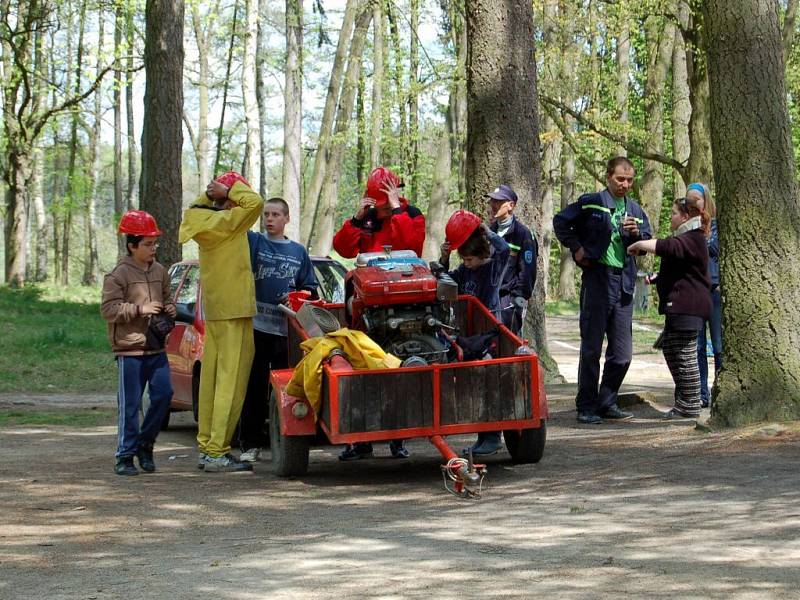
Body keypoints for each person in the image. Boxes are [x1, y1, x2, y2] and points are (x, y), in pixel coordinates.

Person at [553, 156, 652, 424]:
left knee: (622, 354)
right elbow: (560, 221)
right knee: (591, 348)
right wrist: (576, 248)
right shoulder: (592, 201)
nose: (625, 184)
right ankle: (586, 405)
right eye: (620, 179)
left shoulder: (635, 209)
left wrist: (637, 235)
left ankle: (607, 401)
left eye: (630, 180)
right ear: (608, 177)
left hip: (624, 283)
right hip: (597, 279)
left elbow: (647, 242)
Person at [337, 166, 425, 461]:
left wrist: (397, 211)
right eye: (379, 205)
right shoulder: (367, 219)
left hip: (401, 305)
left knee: (398, 369)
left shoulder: (412, 216)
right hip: (365, 308)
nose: (382, 210)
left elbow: (412, 246)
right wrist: (356, 220)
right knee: (361, 369)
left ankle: (398, 438)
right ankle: (360, 440)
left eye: (386, 204)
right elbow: (343, 249)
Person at [178, 172, 263, 472]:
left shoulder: (202, 220)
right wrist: (230, 190)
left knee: (213, 380)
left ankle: (207, 447)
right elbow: (255, 203)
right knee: (231, 381)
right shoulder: (227, 223)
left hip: (215, 311)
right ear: (229, 200)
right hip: (235, 310)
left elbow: (198, 208)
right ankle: (217, 451)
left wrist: (213, 195)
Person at [237, 197, 319, 462]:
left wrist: (296, 295)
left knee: (289, 387)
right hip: (257, 328)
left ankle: (288, 441)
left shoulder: (298, 251)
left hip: (287, 332)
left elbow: (312, 291)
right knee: (255, 386)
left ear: (286, 219)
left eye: (275, 215)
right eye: (266, 215)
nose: (269, 219)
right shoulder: (255, 242)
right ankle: (249, 444)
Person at [101, 210, 176, 476]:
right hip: (129, 349)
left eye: (155, 243)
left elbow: (168, 298)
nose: (153, 248)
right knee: (130, 404)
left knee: (164, 394)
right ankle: (125, 456)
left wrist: (169, 309)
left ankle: (146, 444)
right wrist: (139, 309)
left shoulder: (161, 272)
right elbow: (108, 309)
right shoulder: (117, 275)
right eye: (147, 244)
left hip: (156, 348)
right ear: (132, 245)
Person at [627, 196, 711, 418]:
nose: (671, 217)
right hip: (680, 307)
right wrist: (656, 278)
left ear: (685, 217)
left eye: (674, 213)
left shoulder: (693, 237)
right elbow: (680, 266)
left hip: (689, 307)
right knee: (673, 351)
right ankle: (685, 401)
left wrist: (638, 244)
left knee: (685, 355)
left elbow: (667, 247)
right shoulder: (687, 238)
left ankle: (690, 404)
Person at [441, 209, 510, 456]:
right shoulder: (464, 271)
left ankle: (492, 436)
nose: (467, 264)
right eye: (464, 260)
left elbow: (504, 251)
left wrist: (487, 231)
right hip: (469, 335)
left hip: (489, 333)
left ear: (481, 254)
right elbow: (444, 282)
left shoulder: (492, 269)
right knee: (475, 384)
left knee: (488, 381)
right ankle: (483, 435)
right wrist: (445, 256)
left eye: (470, 259)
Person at [332, 166, 425, 258]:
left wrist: (397, 211)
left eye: (388, 200)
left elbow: (413, 248)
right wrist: (356, 220)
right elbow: (345, 251)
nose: (385, 205)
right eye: (382, 203)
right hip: (370, 272)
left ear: (395, 193)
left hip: (402, 271)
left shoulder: (413, 214)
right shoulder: (368, 217)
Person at [686, 183, 721, 408]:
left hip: (714, 290)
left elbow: (715, 250)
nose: (692, 203)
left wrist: (704, 229)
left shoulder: (717, 225)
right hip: (695, 291)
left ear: (705, 200)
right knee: (697, 347)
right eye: (688, 200)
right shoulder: (687, 226)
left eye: (696, 199)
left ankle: (720, 390)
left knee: (718, 345)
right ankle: (701, 394)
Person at [486, 184, 538, 336]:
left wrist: (517, 299)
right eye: (492, 201)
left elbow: (528, 272)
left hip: (508, 299)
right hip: (488, 297)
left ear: (511, 205)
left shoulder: (523, 234)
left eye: (498, 202)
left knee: (509, 342)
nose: (493, 205)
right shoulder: (490, 231)